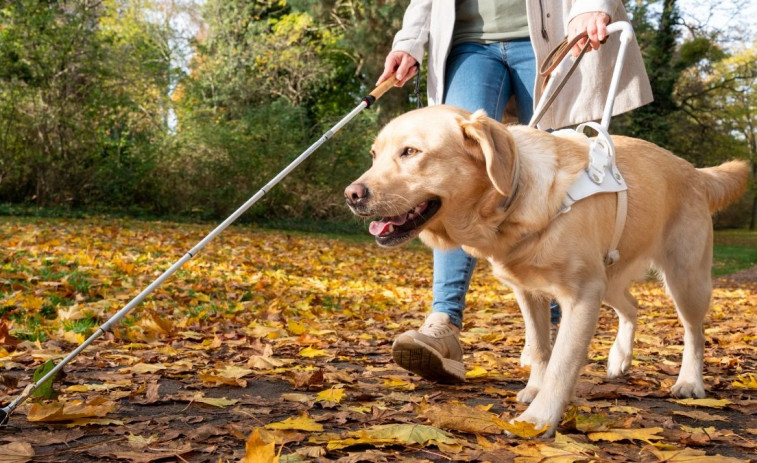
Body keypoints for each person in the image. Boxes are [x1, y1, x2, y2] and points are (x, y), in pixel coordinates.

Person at [377, 0, 653, 383]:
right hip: (467, 42)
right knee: (452, 177)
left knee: (564, 181)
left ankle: (557, 330)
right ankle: (443, 323)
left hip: (553, 31)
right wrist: (409, 40)